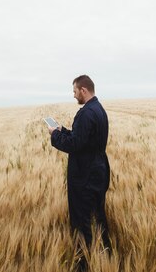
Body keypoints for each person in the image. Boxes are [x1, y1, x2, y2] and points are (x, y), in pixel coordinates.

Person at [49, 75, 112, 269]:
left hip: (84, 176)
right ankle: (107, 255)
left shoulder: (85, 113)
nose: (74, 95)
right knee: (98, 216)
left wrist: (55, 136)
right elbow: (85, 140)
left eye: (75, 91)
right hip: (99, 172)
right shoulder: (99, 109)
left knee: (82, 221)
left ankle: (83, 264)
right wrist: (64, 130)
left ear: (83, 90)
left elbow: (75, 145)